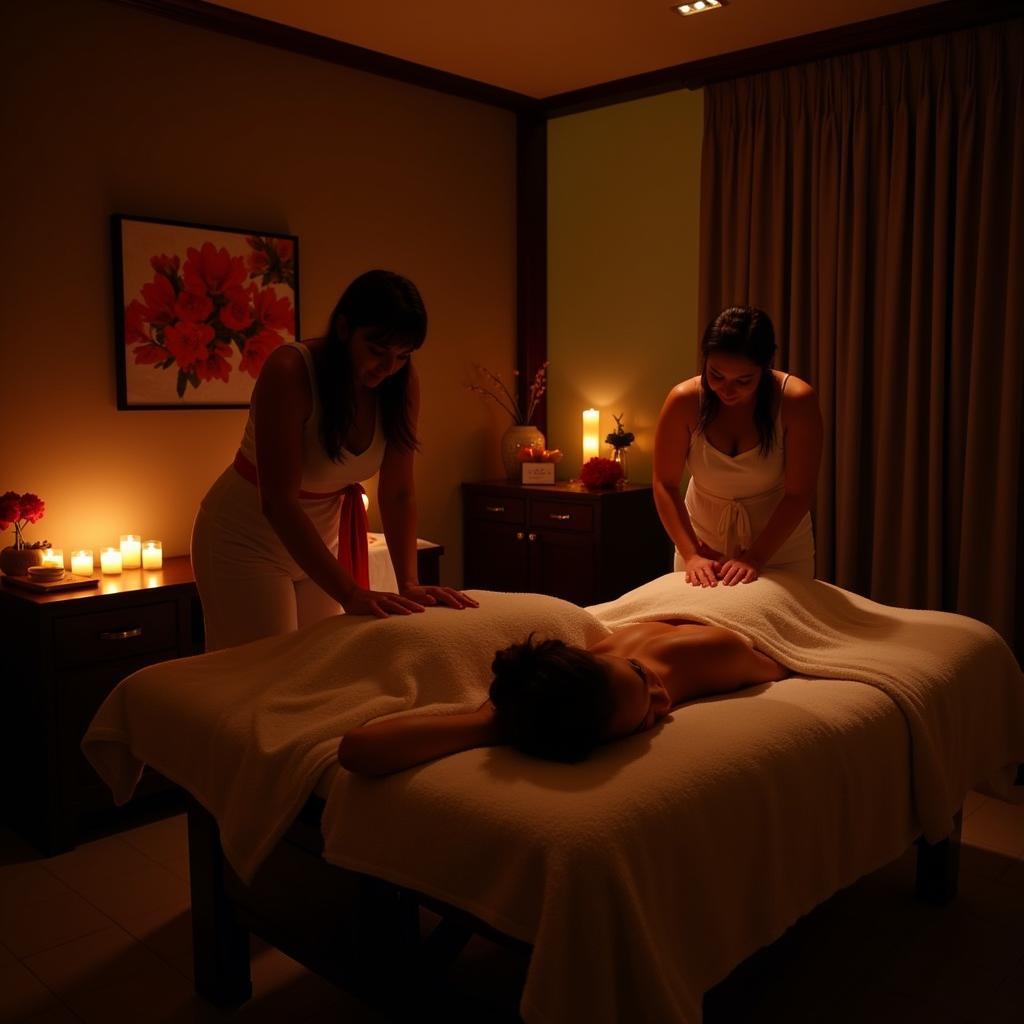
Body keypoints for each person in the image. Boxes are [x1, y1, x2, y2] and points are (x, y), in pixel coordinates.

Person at [191, 270, 477, 652]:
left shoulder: (401, 383)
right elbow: (278, 502)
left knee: (321, 664)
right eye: (377, 350)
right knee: (265, 672)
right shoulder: (290, 371)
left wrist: (408, 582)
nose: (388, 367)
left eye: (402, 356)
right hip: (245, 539)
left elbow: (398, 491)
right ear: (344, 329)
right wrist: (350, 591)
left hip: (319, 540)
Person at [337, 621, 789, 776]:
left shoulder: (709, 652)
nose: (662, 700)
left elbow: (778, 660)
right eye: (646, 721)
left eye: (642, 676)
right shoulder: (555, 693)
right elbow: (357, 749)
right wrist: (494, 723)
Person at [652, 307, 823, 588]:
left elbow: (798, 494)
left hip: (778, 548)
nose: (727, 390)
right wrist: (692, 553)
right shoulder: (684, 401)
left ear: (767, 365)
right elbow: (664, 484)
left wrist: (755, 558)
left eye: (743, 381)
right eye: (716, 375)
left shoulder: (796, 401)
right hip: (700, 545)